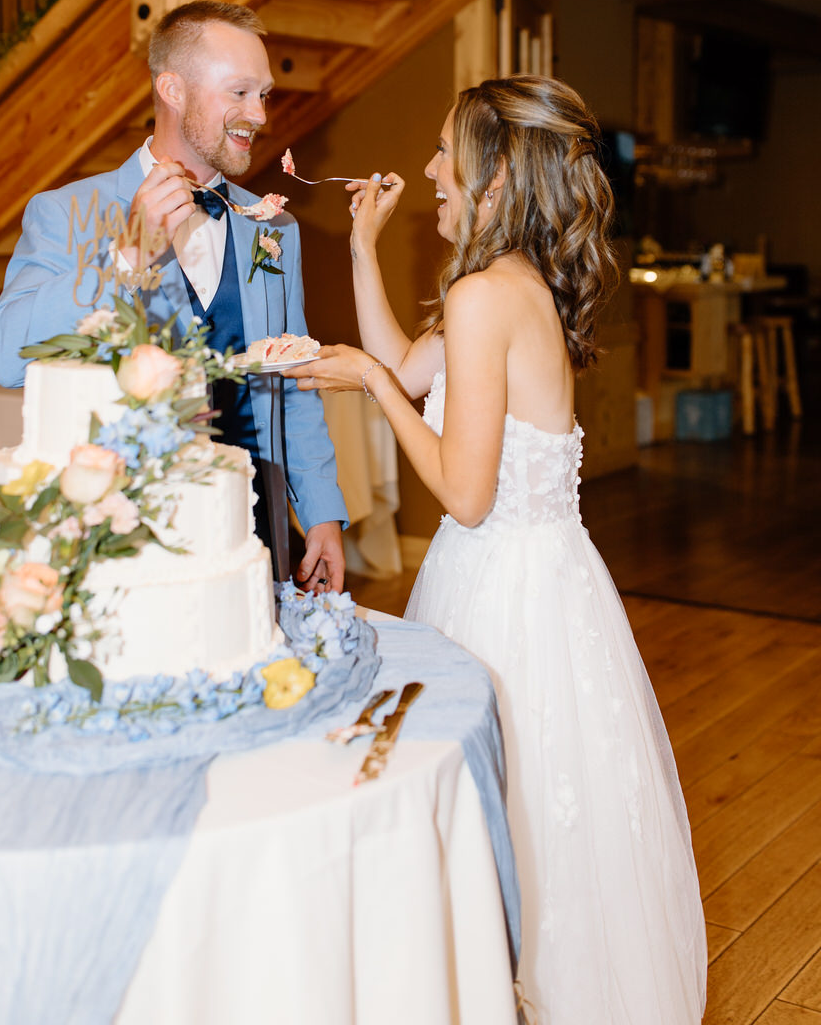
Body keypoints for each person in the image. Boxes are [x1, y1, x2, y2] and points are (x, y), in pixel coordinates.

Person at [286, 76, 706, 1024]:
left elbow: (464, 493)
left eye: (445, 153)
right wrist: (361, 248)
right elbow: (404, 365)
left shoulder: (484, 293)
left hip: (502, 582)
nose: (431, 170)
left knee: (495, 814)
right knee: (550, 817)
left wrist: (364, 383)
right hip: (551, 579)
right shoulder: (515, 284)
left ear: (496, 171)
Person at [0, 0, 347, 595]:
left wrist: (322, 508)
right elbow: (3, 356)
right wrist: (125, 256)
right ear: (172, 89)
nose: (258, 115)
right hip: (125, 534)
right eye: (239, 93)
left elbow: (293, 377)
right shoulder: (65, 212)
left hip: (254, 532)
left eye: (264, 95)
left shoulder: (273, 230)